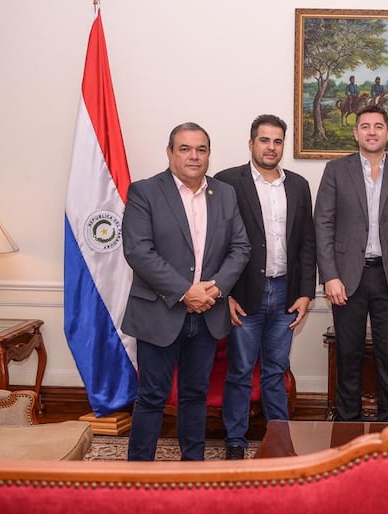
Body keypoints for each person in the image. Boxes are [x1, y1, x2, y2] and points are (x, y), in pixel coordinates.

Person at [121, 122, 251, 461]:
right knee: (152, 395)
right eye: (185, 149)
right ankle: (137, 474)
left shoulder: (224, 193)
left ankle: (192, 469)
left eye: (201, 149)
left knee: (195, 394)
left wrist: (215, 289)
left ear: (209, 154)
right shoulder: (144, 192)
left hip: (208, 311)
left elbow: (240, 248)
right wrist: (185, 291)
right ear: (170, 153)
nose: (194, 156)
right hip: (160, 312)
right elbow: (138, 251)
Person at [213, 114, 316, 460]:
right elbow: (215, 242)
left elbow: (306, 242)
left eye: (277, 141)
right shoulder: (228, 182)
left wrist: (305, 293)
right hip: (244, 295)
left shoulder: (299, 185)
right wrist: (223, 293)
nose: (271, 147)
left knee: (276, 370)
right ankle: (236, 442)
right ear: (251, 143)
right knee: (241, 371)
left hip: (286, 293)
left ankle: (279, 440)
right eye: (264, 140)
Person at [314, 104, 388, 422]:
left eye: (378, 126)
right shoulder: (336, 170)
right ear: (356, 132)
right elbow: (322, 225)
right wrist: (329, 276)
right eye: (365, 126)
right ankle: (346, 425)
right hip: (347, 279)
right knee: (347, 355)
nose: (372, 131)